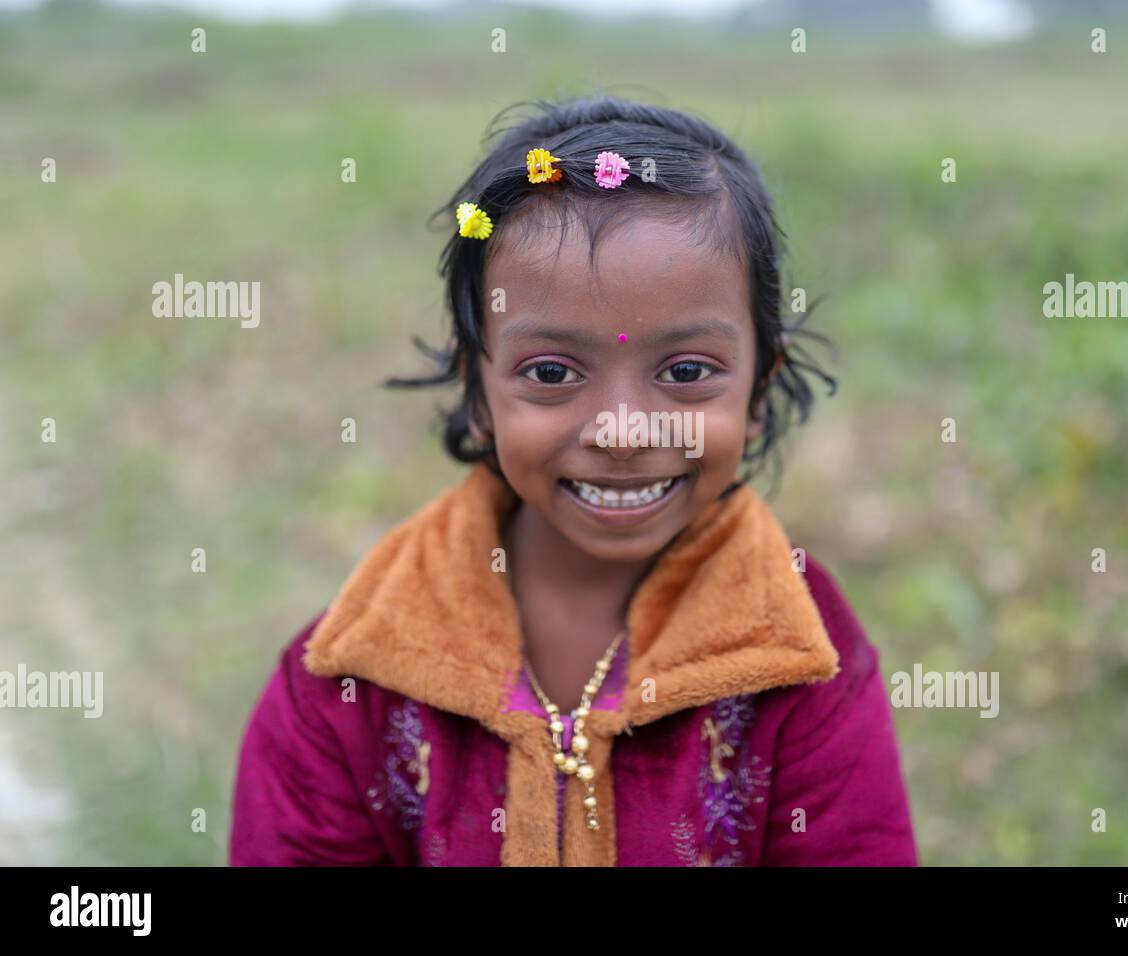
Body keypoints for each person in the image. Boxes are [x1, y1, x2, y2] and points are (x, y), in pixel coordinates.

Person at [229, 94, 917, 866]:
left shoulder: (802, 653)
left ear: (758, 390)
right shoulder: (353, 673)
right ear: (478, 393)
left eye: (686, 371)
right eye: (553, 372)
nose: (622, 432)